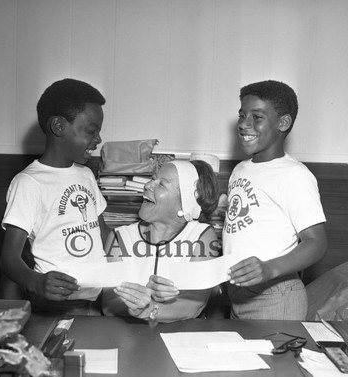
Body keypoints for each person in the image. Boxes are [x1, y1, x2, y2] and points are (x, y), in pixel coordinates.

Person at [0, 78, 110, 315]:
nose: (98, 139)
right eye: (91, 130)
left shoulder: (86, 175)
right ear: (59, 126)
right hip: (57, 303)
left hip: (96, 298)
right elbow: (9, 258)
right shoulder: (29, 183)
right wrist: (37, 282)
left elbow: (102, 234)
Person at [223, 80, 327, 320]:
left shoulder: (294, 175)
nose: (243, 124)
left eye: (256, 117)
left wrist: (269, 269)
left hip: (275, 294)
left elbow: (316, 243)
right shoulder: (240, 169)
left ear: (283, 122)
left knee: (275, 359)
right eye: (241, 115)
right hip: (238, 292)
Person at [102, 160, 220, 322]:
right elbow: (109, 304)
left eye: (161, 184)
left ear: (185, 203)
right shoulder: (119, 237)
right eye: (152, 178)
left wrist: (148, 309)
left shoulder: (202, 236)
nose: (148, 185)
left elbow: (193, 305)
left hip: (181, 339)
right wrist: (135, 307)